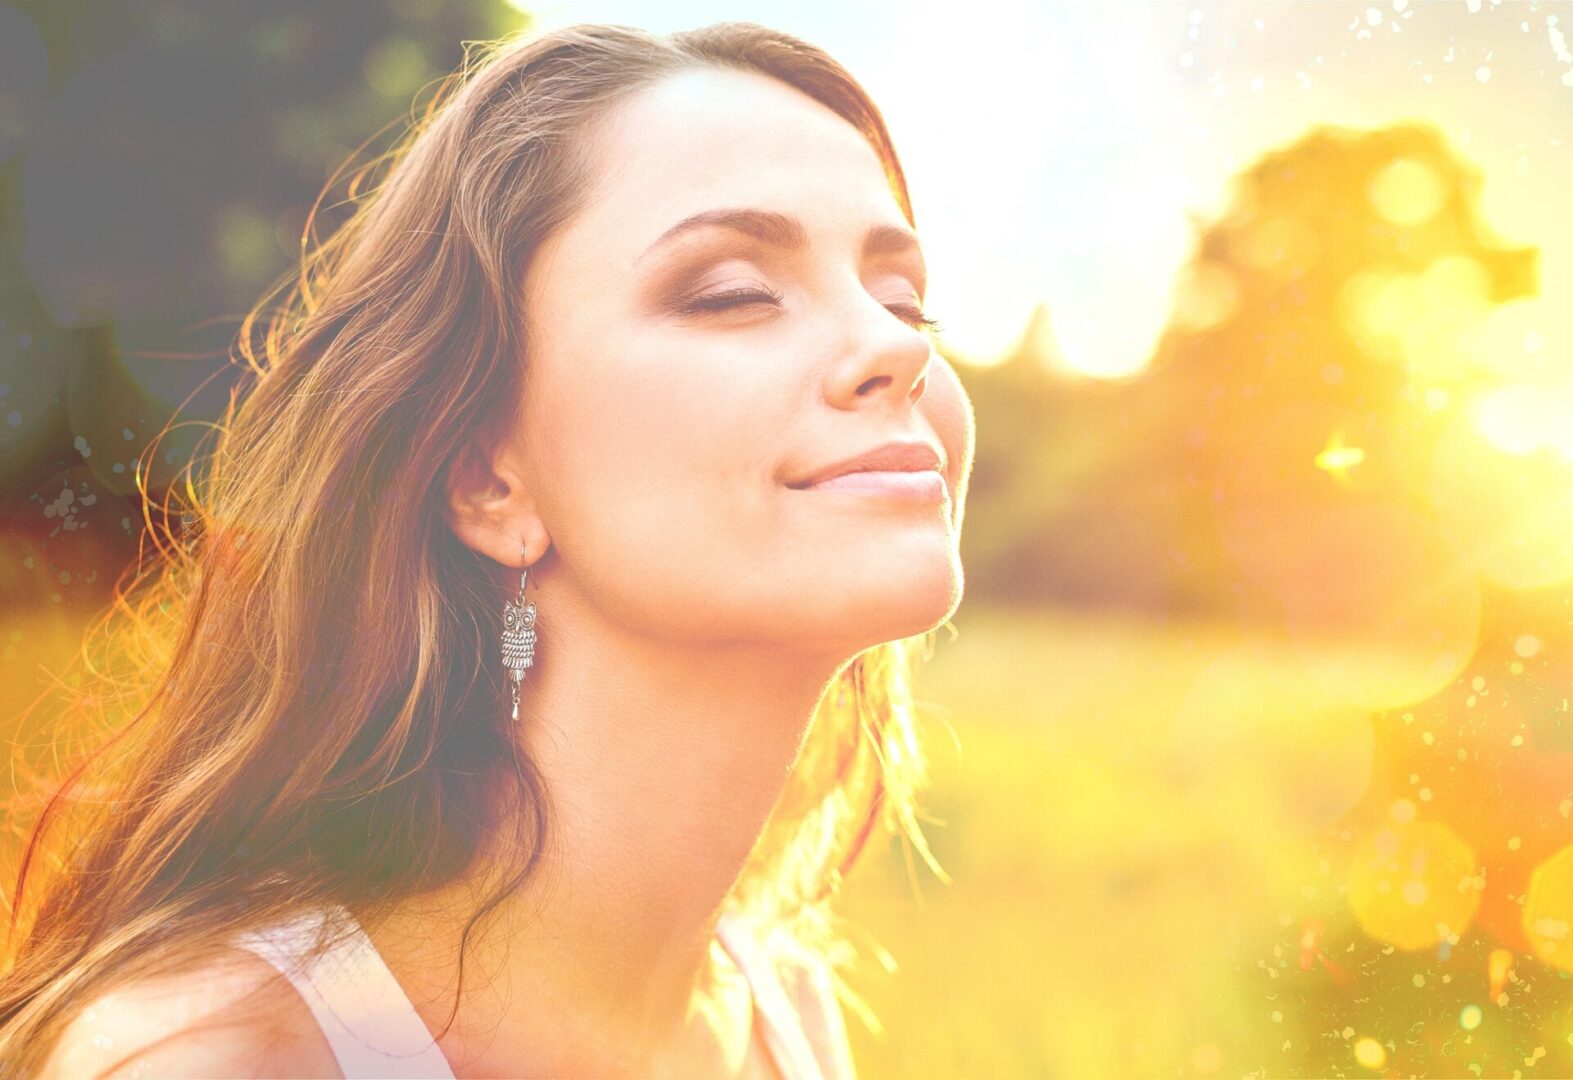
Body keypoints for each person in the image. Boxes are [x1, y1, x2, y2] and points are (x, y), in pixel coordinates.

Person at [0, 19, 975, 1078]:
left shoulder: (780, 1017)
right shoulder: (214, 1057)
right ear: (485, 477)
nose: (896, 345)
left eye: (903, 300)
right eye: (731, 293)